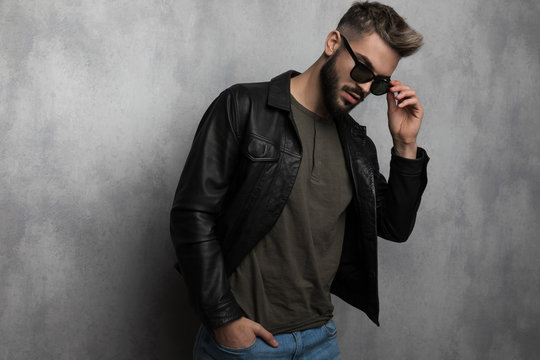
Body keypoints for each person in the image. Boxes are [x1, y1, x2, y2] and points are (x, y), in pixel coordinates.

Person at [170, 1, 429, 358]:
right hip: (247, 343)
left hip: (320, 340)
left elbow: (394, 226)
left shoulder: (357, 145)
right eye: (362, 69)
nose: (367, 88)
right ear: (333, 43)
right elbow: (192, 216)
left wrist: (405, 144)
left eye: (379, 82)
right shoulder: (243, 107)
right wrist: (224, 319)